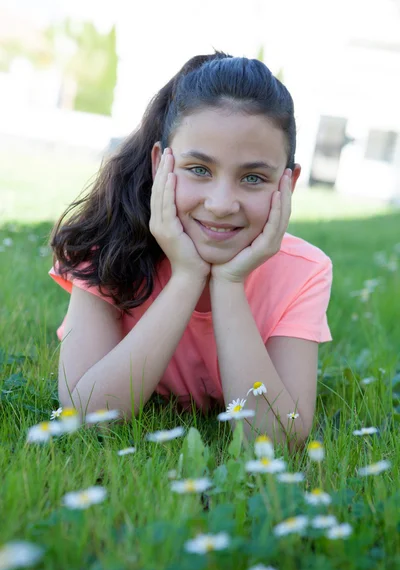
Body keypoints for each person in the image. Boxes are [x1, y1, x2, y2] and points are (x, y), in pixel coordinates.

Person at [49, 51, 333, 445]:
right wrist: (186, 277)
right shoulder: (108, 246)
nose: (221, 204)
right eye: (199, 170)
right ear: (159, 164)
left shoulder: (304, 272)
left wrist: (230, 282)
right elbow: (85, 417)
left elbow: (277, 440)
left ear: (288, 182)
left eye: (253, 177)